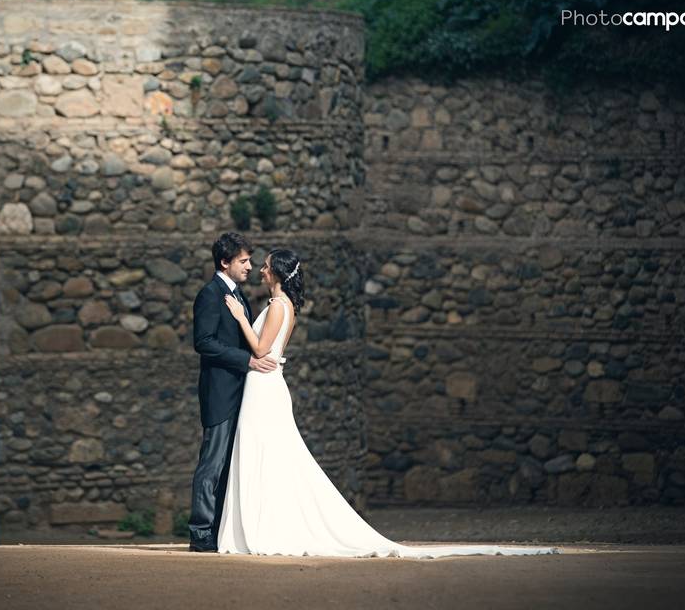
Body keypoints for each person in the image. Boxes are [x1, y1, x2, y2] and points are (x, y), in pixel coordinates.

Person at [215, 247, 563, 559]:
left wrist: (240, 318)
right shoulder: (283, 305)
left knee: (266, 453)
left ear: (277, 273)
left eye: (265, 266)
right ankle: (263, 525)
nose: (261, 270)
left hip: (264, 385)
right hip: (263, 383)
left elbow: (262, 351)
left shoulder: (278, 305)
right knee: (267, 454)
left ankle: (264, 528)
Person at [188, 232, 280, 552]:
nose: (250, 267)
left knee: (228, 465)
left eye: (250, 261)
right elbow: (204, 343)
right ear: (224, 262)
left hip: (241, 393)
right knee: (212, 465)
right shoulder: (210, 294)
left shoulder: (237, 294)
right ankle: (201, 533)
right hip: (220, 393)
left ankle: (218, 531)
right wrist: (248, 361)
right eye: (243, 261)